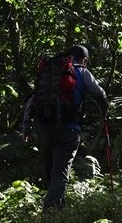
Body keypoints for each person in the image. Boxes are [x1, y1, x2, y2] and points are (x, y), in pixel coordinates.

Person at [21, 44, 108, 210]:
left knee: (51, 170)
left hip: (44, 128)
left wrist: (25, 128)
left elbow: (32, 100)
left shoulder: (51, 73)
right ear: (84, 59)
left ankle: (58, 210)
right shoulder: (81, 72)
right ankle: (50, 214)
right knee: (60, 173)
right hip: (69, 129)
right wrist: (105, 109)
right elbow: (99, 94)